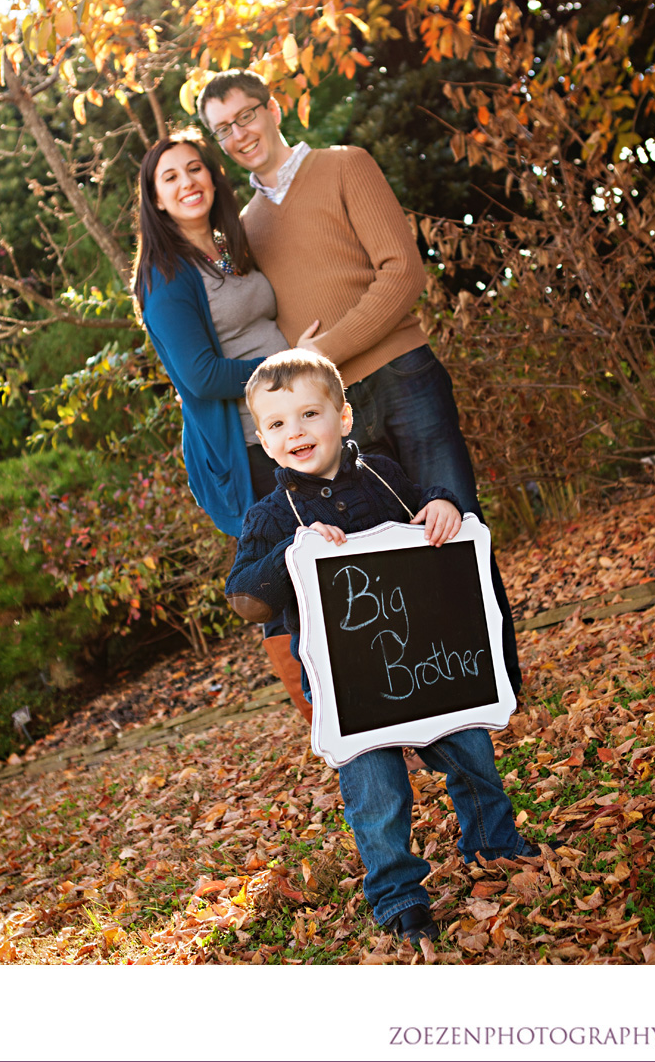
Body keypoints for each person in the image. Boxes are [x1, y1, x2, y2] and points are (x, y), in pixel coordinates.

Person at [198, 70, 522, 696]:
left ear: (274, 108)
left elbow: (401, 275)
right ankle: (431, 695)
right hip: (330, 415)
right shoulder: (245, 225)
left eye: (246, 116)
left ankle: (499, 687)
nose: (239, 134)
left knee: (454, 527)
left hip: (402, 374)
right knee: (380, 562)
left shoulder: (345, 165)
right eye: (223, 129)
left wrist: (320, 352)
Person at [225, 350, 547, 947]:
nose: (295, 432)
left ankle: (493, 842)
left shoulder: (383, 475)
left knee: (472, 754)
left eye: (309, 414)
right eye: (276, 425)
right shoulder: (271, 517)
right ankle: (399, 893)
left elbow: (430, 495)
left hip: (430, 665)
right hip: (355, 689)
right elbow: (245, 597)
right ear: (264, 441)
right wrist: (291, 551)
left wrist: (445, 504)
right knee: (376, 794)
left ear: (344, 417)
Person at [131, 127, 317, 535]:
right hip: (256, 449)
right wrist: (292, 365)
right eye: (171, 177)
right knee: (302, 581)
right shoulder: (165, 276)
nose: (188, 182)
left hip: (299, 430)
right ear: (157, 201)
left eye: (195, 168)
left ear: (213, 177)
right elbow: (202, 376)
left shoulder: (225, 247)